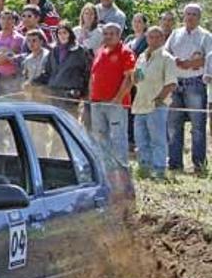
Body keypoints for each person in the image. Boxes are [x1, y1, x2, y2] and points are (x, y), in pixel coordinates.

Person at [165, 3, 212, 174]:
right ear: (183, 16)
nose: (190, 17)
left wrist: (191, 63)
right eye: (187, 14)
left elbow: (209, 59)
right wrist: (175, 60)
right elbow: (166, 53)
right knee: (173, 125)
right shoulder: (175, 34)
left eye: (193, 14)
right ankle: (175, 163)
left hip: (196, 83)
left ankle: (199, 164)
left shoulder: (206, 36)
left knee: (198, 126)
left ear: (199, 17)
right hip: (176, 83)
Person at [132, 26, 177, 179]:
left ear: (163, 39)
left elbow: (171, 83)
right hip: (139, 104)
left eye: (158, 37)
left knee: (157, 140)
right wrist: (135, 76)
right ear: (147, 38)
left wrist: (159, 100)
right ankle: (144, 168)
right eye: (151, 37)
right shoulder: (141, 57)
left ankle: (159, 170)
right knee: (141, 139)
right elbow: (137, 77)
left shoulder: (167, 58)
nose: (154, 40)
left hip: (156, 106)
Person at [89, 23, 135, 164]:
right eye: (106, 33)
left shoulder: (126, 52)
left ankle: (121, 166)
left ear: (119, 35)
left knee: (118, 136)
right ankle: (104, 166)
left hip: (116, 103)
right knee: (99, 135)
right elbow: (93, 75)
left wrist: (118, 98)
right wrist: (91, 96)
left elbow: (129, 78)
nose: (108, 36)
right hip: (96, 102)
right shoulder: (100, 51)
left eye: (111, 34)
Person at [35, 23, 91, 118]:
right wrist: (34, 81)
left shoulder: (79, 51)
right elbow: (48, 72)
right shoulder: (53, 51)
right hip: (54, 92)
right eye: (59, 33)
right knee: (55, 123)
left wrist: (84, 92)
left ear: (70, 34)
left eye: (65, 33)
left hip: (70, 93)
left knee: (70, 121)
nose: (62, 35)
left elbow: (87, 72)